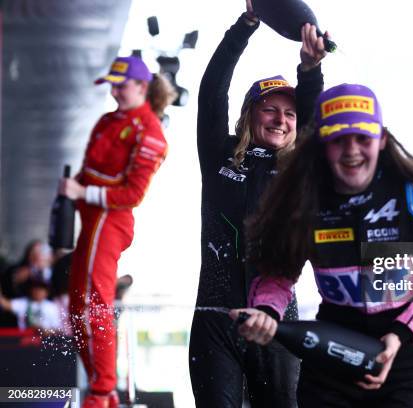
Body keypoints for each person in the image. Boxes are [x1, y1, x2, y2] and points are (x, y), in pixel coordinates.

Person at [232, 83, 413, 407]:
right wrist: (266, 312)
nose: (351, 150)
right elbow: (277, 274)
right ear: (322, 145)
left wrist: (402, 333)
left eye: (362, 138)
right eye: (339, 139)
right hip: (330, 356)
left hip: (405, 357)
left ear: (381, 140)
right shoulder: (301, 201)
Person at [189, 1, 327, 406]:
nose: (281, 119)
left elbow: (316, 123)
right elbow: (212, 92)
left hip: (276, 320)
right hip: (215, 320)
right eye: (271, 109)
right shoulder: (220, 154)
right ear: (251, 114)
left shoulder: (299, 171)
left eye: (290, 113)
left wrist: (310, 69)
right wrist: (246, 25)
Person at [58, 56, 177, 408]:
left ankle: (101, 391)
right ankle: (102, 388)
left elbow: (133, 195)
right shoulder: (110, 119)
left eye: (120, 85)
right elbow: (90, 170)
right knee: (77, 306)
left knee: (95, 305)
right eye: (111, 84)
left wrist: (82, 192)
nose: (114, 91)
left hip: (111, 222)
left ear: (142, 87)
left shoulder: (150, 131)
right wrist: (73, 190)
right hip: (90, 220)